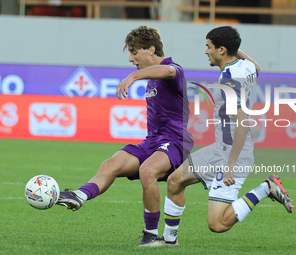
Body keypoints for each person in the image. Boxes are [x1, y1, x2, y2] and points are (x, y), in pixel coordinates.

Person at [151, 26, 293, 247]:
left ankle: (266, 188)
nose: (206, 52)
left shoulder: (229, 80)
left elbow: (242, 122)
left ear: (222, 49)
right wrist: (235, 50)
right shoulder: (244, 66)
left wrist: (230, 165)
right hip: (219, 148)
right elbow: (257, 67)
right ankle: (169, 241)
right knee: (175, 181)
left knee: (217, 224)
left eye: (209, 47)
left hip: (233, 153)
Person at [56, 25, 194, 246]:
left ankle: (150, 236)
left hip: (175, 141)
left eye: (134, 51)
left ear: (151, 49)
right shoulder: (151, 78)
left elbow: (169, 72)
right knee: (110, 164)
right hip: (152, 142)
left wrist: (133, 76)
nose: (130, 58)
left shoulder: (172, 69)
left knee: (147, 170)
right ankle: (79, 196)